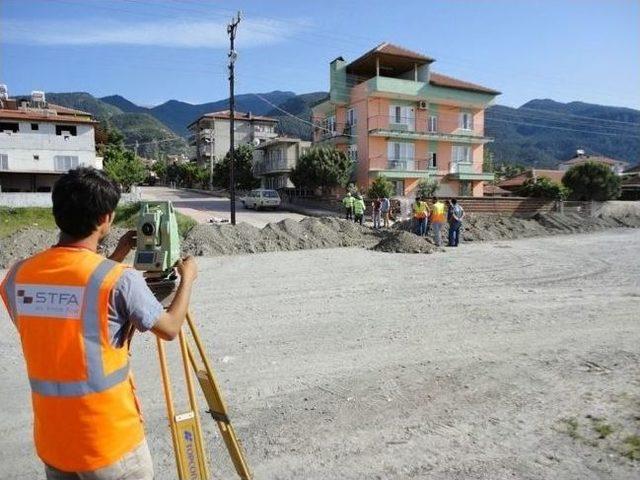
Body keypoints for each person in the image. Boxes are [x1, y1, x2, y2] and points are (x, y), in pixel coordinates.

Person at [0, 168, 198, 480]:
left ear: (57, 213)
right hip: (109, 445)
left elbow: (70, 313)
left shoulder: (16, 277)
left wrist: (117, 254)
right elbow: (171, 327)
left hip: (56, 445)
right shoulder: (121, 280)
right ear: (106, 219)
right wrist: (188, 279)